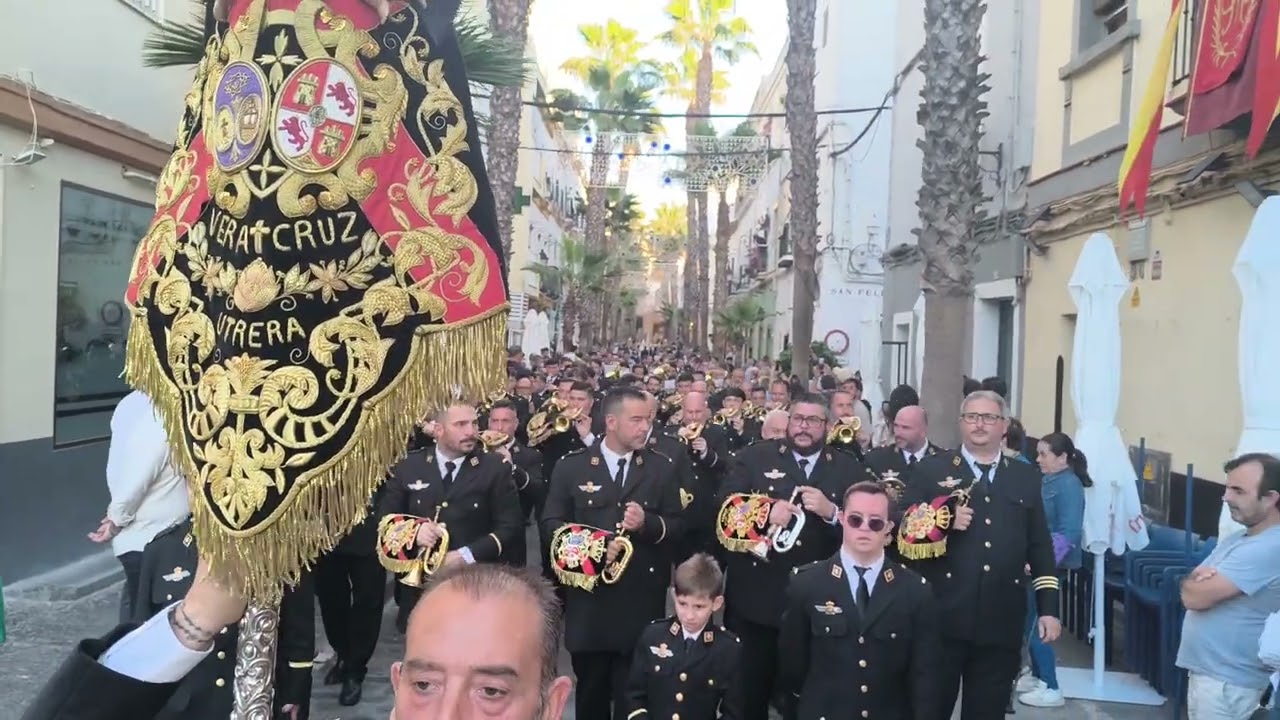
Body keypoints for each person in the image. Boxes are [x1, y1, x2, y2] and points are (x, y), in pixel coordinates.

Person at [896, 390, 1060, 720]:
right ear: (961, 424)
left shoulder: (1025, 476)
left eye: (989, 417)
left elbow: (1039, 545)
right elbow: (899, 528)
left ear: (1004, 427)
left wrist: (1049, 609)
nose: (980, 424)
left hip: (1000, 619)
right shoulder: (932, 469)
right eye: (972, 417)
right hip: (942, 615)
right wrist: (941, 520)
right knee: (928, 710)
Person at [717, 393, 879, 720]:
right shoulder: (754, 458)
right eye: (798, 419)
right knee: (748, 695)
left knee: (808, 699)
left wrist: (833, 512)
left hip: (820, 605)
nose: (804, 427)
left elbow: (871, 529)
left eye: (813, 421)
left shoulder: (848, 467)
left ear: (829, 426)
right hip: (756, 601)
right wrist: (764, 512)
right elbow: (723, 510)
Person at [541, 386, 684, 720]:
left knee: (633, 697)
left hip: (639, 602)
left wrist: (647, 523)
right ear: (611, 422)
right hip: (590, 605)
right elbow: (550, 525)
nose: (644, 427)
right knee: (590, 693)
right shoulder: (572, 467)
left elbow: (679, 526)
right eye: (635, 420)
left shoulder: (661, 467)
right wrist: (590, 550)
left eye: (647, 419)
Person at [779, 481, 937, 720]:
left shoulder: (914, 590)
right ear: (841, 519)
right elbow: (794, 664)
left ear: (888, 528)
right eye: (855, 519)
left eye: (875, 523)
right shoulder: (807, 584)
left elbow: (923, 674)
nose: (864, 528)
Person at [130, 517, 314, 720]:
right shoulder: (162, 550)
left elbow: (298, 625)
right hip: (184, 702)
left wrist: (296, 690)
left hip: (254, 696)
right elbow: (145, 630)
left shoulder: (276, 545)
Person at [377, 402, 525, 642]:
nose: (471, 431)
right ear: (437, 430)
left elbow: (510, 526)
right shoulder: (409, 465)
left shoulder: (494, 468)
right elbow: (385, 517)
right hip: (420, 589)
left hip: (475, 585)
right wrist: (414, 532)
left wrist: (465, 555)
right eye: (460, 424)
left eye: (474, 423)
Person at [1176, 453, 1280, 719]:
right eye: (1226, 488)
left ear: (1270, 499)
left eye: (1238, 490)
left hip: (1230, 685)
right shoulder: (1239, 538)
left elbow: (1195, 597)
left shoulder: (1269, 547)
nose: (1226, 497)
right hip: (1213, 678)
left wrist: (1193, 582)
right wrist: (1192, 581)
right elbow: (1193, 584)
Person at [90, 390, 189, 623]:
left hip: (147, 535)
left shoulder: (131, 402)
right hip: (154, 538)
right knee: (148, 627)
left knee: (137, 618)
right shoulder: (161, 410)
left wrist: (117, 514)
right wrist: (117, 517)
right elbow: (139, 473)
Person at [622, 553, 744, 720]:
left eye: (699, 606)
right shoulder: (653, 635)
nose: (689, 615)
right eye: (682, 604)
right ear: (674, 596)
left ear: (716, 603)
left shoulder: (727, 649)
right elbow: (635, 695)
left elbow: (733, 712)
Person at [1016, 432, 1088, 708]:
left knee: (1037, 623)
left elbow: (1068, 531)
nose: (1038, 459)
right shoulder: (1048, 480)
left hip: (1047, 565)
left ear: (1062, 458)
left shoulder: (1068, 486)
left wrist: (1040, 562)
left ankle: (1050, 683)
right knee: (1028, 619)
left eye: (1044, 454)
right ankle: (1036, 675)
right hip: (1033, 561)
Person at [315, 484, 388, 706]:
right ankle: (343, 654)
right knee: (331, 600)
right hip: (327, 530)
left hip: (368, 526)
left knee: (368, 602)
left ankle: (356, 670)